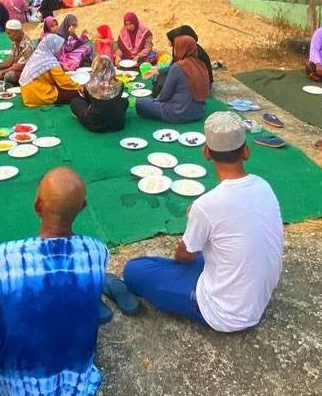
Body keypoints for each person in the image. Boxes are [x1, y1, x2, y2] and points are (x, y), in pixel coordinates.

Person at [119, 111, 284, 331]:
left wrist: (197, 219)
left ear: (206, 152)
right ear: (246, 151)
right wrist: (200, 216)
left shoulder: (207, 205)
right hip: (258, 299)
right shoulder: (263, 186)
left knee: (134, 270)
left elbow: (184, 256)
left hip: (225, 313)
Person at [0, 168, 105, 396]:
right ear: (83, 207)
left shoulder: (1, 258)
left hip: (14, 384)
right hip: (74, 372)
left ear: (37, 206)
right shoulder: (98, 252)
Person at [135, 35, 208, 123]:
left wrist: (154, 102)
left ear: (180, 49)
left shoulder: (177, 67)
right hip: (199, 112)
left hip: (178, 112)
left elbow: (164, 96)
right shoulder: (201, 65)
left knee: (140, 102)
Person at [20, 34, 83, 106]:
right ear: (53, 46)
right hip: (38, 94)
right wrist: (79, 87)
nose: (60, 50)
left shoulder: (38, 55)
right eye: (59, 48)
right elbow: (63, 81)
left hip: (27, 94)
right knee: (76, 93)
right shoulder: (50, 60)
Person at [70, 56, 128, 132]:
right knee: (124, 101)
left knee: (75, 101)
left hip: (95, 123)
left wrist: (83, 91)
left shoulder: (89, 84)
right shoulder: (120, 84)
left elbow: (88, 101)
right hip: (117, 123)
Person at [0, 19, 33, 84]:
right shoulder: (15, 41)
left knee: (9, 75)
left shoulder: (28, 45)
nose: (8, 36)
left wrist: (4, 71)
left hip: (27, 71)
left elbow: (20, 66)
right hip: (17, 68)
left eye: (9, 33)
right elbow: (10, 60)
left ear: (18, 32)